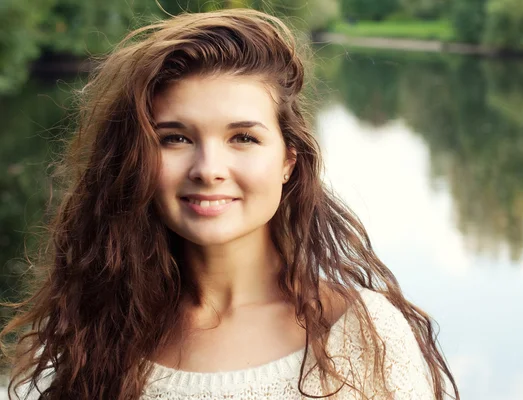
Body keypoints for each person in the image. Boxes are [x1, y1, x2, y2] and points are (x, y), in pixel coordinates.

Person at [1, 8, 459, 400]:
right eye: (176, 138)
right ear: (135, 160)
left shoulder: (365, 335)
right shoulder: (95, 336)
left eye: (243, 137)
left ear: (288, 160)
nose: (208, 168)